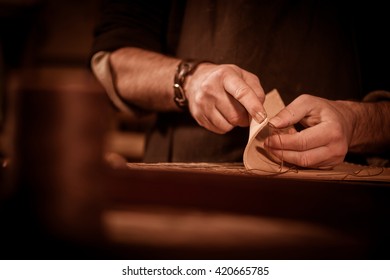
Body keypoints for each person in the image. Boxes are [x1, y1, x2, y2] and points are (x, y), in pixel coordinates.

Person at [91, 0, 389, 168]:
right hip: (187, 194)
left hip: (340, 199)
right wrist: (189, 80)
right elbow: (115, 60)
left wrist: (356, 123)